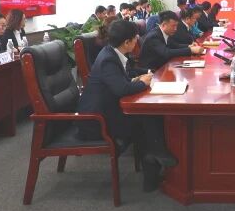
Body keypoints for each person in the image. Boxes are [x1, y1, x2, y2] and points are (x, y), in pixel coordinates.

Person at [76, 20, 175, 192]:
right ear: (127, 42)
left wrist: (144, 76)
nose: (138, 40)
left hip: (107, 110)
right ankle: (157, 155)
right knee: (147, 119)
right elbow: (121, 89)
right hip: (95, 121)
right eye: (136, 38)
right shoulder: (108, 59)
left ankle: (154, 163)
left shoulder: (114, 52)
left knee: (148, 117)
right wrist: (143, 83)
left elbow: (127, 74)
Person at [138, 11, 205, 71]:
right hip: (151, 70)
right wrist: (190, 50)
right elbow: (166, 52)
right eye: (173, 26)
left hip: (162, 64)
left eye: (176, 26)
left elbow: (174, 45)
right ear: (164, 25)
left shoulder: (165, 32)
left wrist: (189, 46)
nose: (175, 29)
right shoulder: (154, 36)